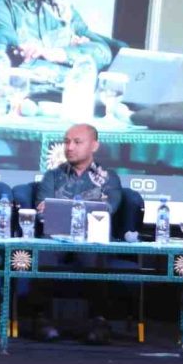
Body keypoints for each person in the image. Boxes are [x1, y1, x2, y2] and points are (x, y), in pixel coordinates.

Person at [34, 123, 123, 344]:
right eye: (66, 142)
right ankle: (43, 320)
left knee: (92, 254)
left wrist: (63, 207)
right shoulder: (52, 176)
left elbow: (108, 209)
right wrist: (86, 206)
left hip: (91, 238)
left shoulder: (108, 178)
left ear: (94, 145)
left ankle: (99, 321)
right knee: (44, 252)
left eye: (77, 142)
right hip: (56, 236)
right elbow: (42, 210)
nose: (69, 147)